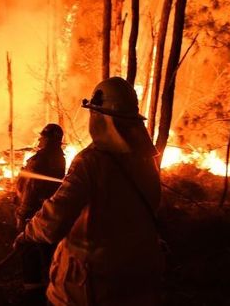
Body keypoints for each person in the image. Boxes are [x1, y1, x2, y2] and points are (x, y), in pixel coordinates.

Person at [15, 77, 164, 306]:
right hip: (139, 281)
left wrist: (28, 233)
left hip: (88, 288)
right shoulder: (147, 161)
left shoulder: (91, 162)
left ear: (100, 116)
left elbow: (53, 221)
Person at [15, 123, 66, 302]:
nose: (39, 139)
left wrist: (22, 216)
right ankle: (51, 288)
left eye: (42, 136)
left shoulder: (39, 160)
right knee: (49, 253)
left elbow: (30, 190)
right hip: (49, 214)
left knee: (29, 254)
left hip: (33, 214)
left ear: (48, 139)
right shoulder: (59, 158)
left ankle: (33, 295)